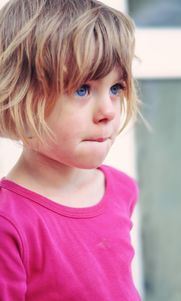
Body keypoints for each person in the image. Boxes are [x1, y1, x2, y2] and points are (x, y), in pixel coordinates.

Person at [0, 0, 140, 300]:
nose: (108, 111)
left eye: (116, 88)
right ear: (19, 95)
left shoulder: (122, 190)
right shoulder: (8, 224)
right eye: (82, 89)